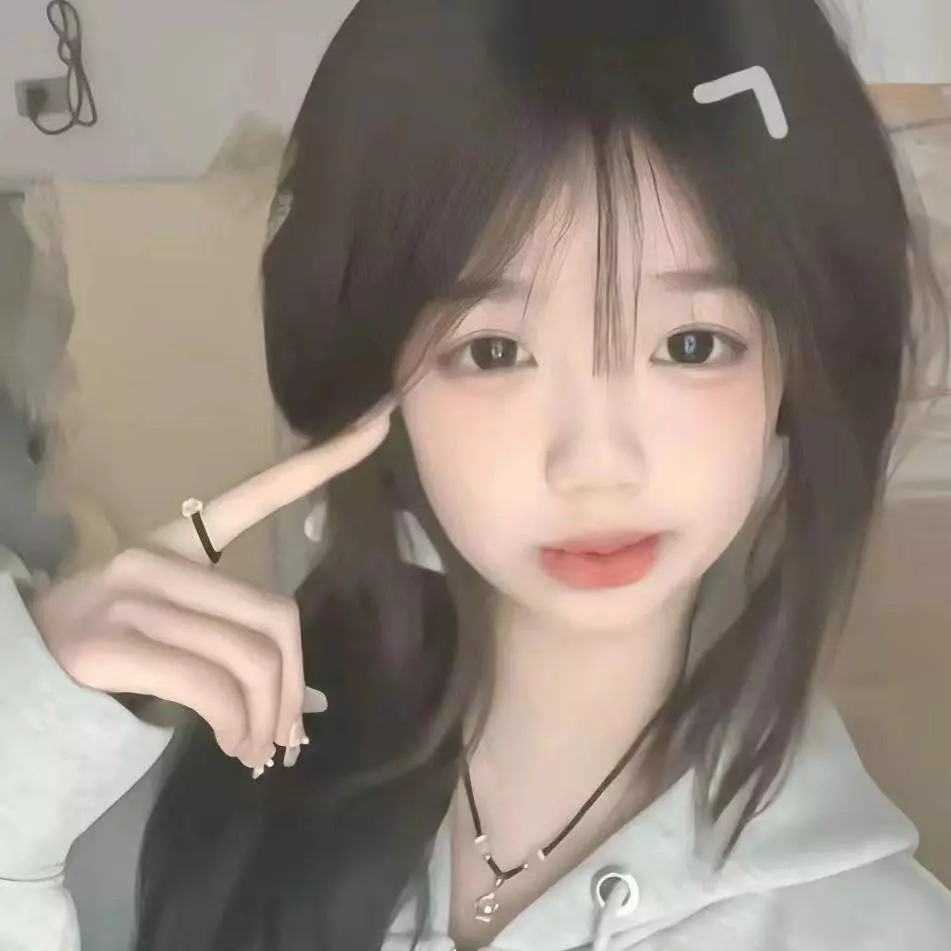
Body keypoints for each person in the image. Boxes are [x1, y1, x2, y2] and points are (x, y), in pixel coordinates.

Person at [1, 1, 950, 949]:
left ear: (791, 370)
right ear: (380, 390)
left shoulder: (872, 927)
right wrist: (22, 750)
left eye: (690, 343)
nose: (595, 462)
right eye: (494, 350)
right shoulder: (163, 809)